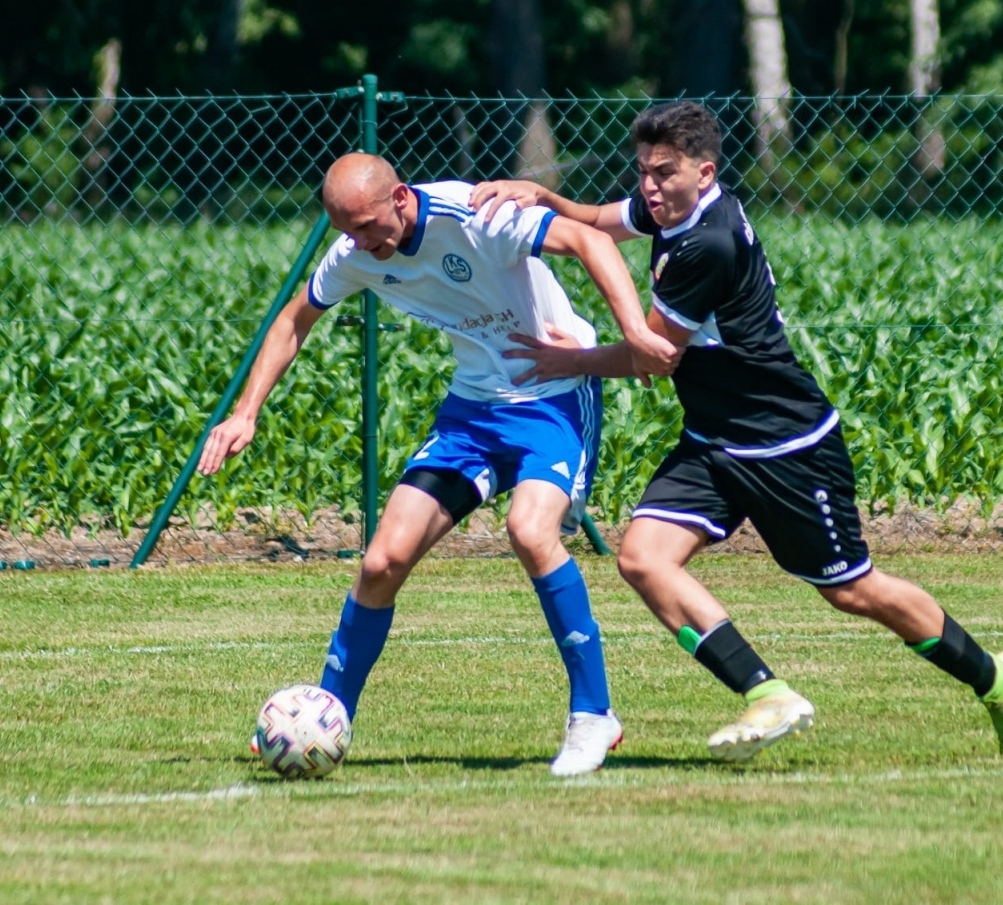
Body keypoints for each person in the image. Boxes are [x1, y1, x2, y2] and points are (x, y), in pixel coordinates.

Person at [470, 101, 1003, 762]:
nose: (649, 187)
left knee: (852, 589)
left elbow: (653, 354)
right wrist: (541, 194)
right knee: (643, 559)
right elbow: (600, 220)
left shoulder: (705, 245)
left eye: (664, 174)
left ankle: (995, 678)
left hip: (784, 443)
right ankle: (765, 692)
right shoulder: (671, 210)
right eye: (643, 172)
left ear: (704, 173)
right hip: (715, 439)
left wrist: (569, 360)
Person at [199, 152, 677, 776]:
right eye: (347, 231)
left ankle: (593, 715)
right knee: (381, 560)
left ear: (400, 197)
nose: (360, 244)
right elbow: (295, 319)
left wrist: (635, 334)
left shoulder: (475, 216)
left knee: (530, 533)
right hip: (472, 412)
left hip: (552, 393)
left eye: (368, 226)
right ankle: (327, 717)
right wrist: (246, 412)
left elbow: (588, 239)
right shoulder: (356, 254)